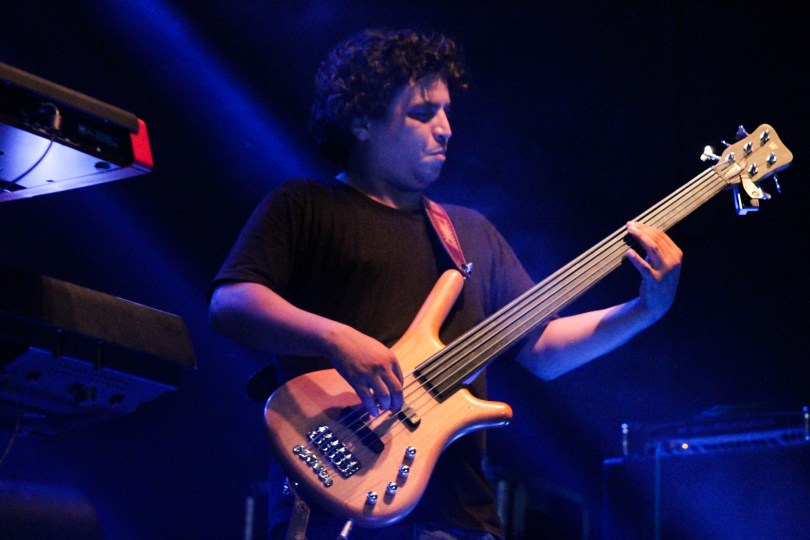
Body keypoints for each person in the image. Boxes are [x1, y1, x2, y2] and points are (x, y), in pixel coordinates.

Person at [208, 28, 682, 540]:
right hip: (330, 500)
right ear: (362, 121)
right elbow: (232, 303)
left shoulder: (470, 233)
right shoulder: (305, 207)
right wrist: (336, 339)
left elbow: (543, 350)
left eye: (447, 112)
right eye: (422, 113)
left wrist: (645, 309)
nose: (446, 129)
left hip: (459, 519)